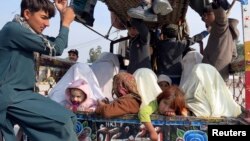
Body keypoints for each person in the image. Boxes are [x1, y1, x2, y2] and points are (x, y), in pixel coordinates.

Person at [0, 0, 78, 140]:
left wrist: (62, 16)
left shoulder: (30, 34)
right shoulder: (13, 30)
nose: (47, 24)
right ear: (27, 13)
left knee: (69, 118)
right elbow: (56, 49)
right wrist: (66, 23)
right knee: (63, 123)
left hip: (23, 96)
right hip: (10, 96)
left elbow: (58, 44)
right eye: (43, 17)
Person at [133, 68, 187, 141]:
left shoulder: (174, 106)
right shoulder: (155, 103)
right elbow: (143, 112)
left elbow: (184, 114)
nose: (165, 109)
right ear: (160, 98)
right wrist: (152, 131)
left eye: (171, 107)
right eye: (165, 103)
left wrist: (175, 114)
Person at [201, 1, 240, 81]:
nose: (205, 18)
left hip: (214, 76)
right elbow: (234, 54)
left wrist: (216, 5)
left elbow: (221, 19)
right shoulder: (225, 31)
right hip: (216, 74)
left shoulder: (220, 27)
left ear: (216, 14)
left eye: (208, 14)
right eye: (203, 15)